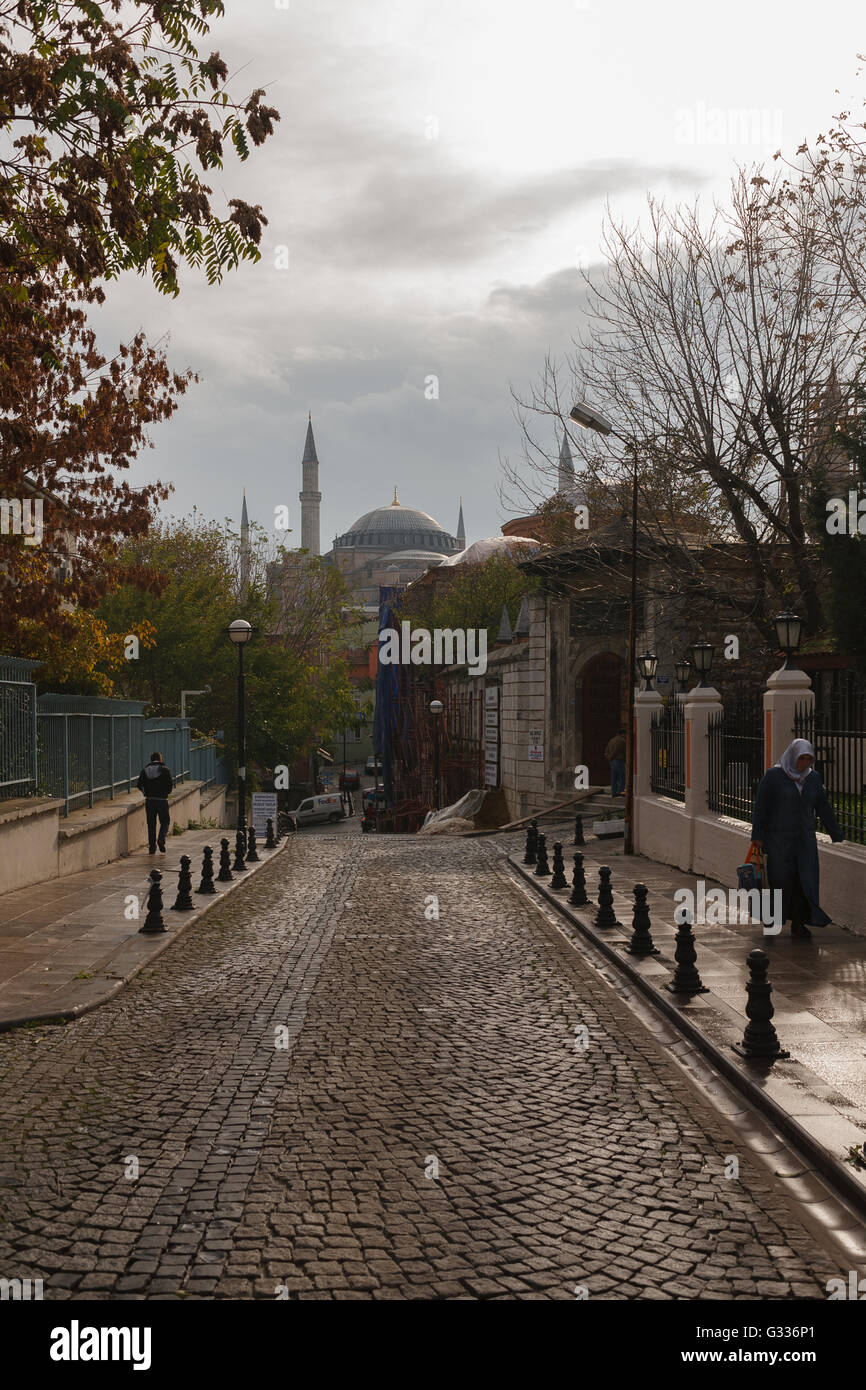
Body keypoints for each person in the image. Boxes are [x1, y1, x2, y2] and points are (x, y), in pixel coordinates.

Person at [750, 737, 844, 939]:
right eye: (802, 758)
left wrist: (835, 832)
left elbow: (823, 806)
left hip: (805, 842)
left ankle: (799, 923)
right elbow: (761, 806)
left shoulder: (813, 778)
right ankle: (773, 921)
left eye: (809, 759)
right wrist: (757, 835)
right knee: (780, 881)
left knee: (805, 882)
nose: (804, 764)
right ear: (793, 756)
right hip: (778, 841)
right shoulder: (774, 776)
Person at [137, 750, 174, 854]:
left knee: (151, 824)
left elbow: (139, 784)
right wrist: (166, 792)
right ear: (160, 759)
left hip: (150, 801)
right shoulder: (165, 770)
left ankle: (152, 848)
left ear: (151, 760)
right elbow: (170, 785)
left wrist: (146, 793)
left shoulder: (144, 771)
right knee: (165, 821)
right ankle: (161, 839)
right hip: (162, 800)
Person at [604, 728, 627, 797]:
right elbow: (616, 750)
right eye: (625, 734)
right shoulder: (622, 740)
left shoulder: (612, 740)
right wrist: (611, 757)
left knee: (614, 777)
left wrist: (609, 758)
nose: (626, 735)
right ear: (622, 734)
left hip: (612, 761)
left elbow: (606, 750)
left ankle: (614, 792)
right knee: (622, 776)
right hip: (619, 760)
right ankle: (621, 791)